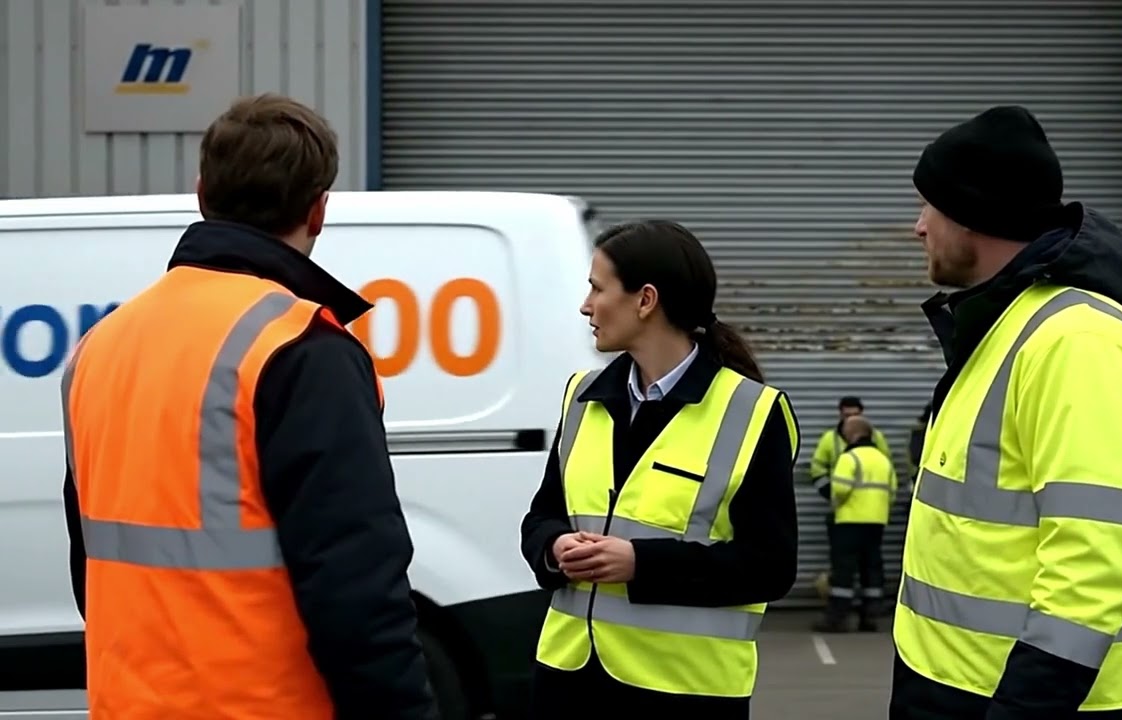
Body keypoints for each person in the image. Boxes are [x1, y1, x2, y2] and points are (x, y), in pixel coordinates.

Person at [59, 94, 435, 718]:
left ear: (201, 193)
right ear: (318, 210)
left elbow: (87, 560)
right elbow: (355, 587)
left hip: (127, 701)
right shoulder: (301, 348)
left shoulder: (99, 347)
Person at [890, 105, 1122, 720]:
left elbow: (1090, 569)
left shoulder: (1078, 341)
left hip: (1021, 699)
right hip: (952, 683)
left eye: (929, 206)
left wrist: (1023, 708)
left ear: (973, 215)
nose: (918, 227)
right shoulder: (1007, 325)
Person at [519, 220, 801, 719]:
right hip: (568, 683)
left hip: (685, 693)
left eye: (597, 288)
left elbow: (770, 568)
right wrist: (553, 547)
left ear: (645, 300)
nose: (586, 305)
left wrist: (640, 563)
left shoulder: (753, 413)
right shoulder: (582, 396)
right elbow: (541, 517)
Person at [812, 415, 895, 634]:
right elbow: (892, 492)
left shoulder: (849, 458)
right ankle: (869, 617)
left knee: (844, 570)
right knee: (871, 569)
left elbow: (840, 490)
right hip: (876, 523)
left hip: (849, 521)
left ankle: (837, 619)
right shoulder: (883, 459)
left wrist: (836, 505)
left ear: (853, 434)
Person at [808, 396, 891, 497]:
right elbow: (817, 467)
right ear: (840, 415)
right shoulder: (829, 438)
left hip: (872, 497)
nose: (852, 419)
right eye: (847, 415)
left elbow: (888, 467)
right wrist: (828, 490)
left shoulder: (877, 437)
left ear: (862, 414)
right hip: (841, 498)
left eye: (856, 415)